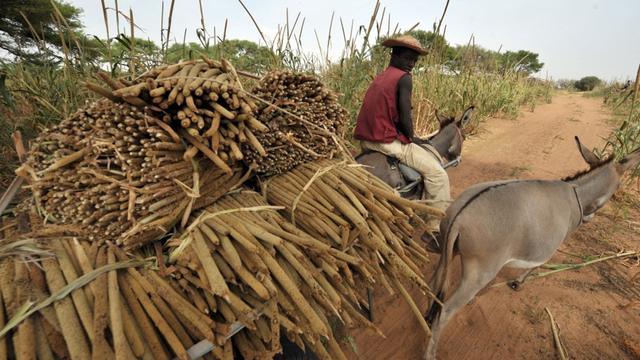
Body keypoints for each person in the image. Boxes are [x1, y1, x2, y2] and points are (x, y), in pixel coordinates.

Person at [353, 35, 451, 233]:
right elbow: (405, 115)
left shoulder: (382, 77)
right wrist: (411, 136)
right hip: (384, 141)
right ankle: (434, 226)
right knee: (438, 174)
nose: (412, 64)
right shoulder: (404, 78)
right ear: (394, 56)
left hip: (366, 139)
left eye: (415, 60)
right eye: (407, 58)